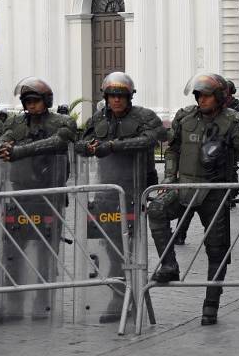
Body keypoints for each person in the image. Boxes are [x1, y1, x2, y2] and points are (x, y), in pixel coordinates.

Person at [146, 73, 239, 326]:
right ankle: (169, 265)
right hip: (185, 186)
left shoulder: (233, 120)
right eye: (198, 95)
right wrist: (168, 178)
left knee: (217, 250)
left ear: (219, 97)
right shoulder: (185, 117)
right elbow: (173, 149)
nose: (201, 100)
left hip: (215, 192)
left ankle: (211, 304)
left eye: (206, 95)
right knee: (155, 210)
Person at [75, 72, 163, 323]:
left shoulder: (144, 116)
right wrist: (90, 147)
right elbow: (81, 144)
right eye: (112, 96)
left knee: (134, 247)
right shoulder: (98, 119)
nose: (116, 100)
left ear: (129, 97)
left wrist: (112, 146)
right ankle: (119, 295)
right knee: (112, 247)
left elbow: (151, 138)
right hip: (107, 191)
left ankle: (133, 294)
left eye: (121, 96)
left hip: (136, 190)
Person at [0, 77, 76, 322]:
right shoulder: (16, 123)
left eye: (36, 101)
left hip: (49, 193)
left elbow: (59, 141)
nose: (32, 105)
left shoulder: (63, 121)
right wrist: (5, 147)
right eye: (28, 101)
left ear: (46, 101)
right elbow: (0, 141)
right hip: (19, 192)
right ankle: (13, 301)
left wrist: (20, 151)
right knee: (13, 250)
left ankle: (43, 300)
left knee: (45, 251)